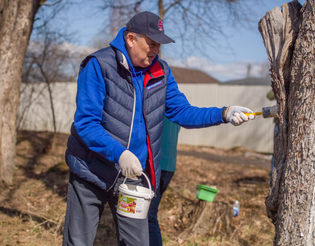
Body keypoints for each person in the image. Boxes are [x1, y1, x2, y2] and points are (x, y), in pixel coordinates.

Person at [62, 11, 256, 246]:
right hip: (90, 171)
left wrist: (223, 113)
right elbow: (86, 123)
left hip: (131, 177)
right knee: (79, 242)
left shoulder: (160, 72)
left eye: (159, 45)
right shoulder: (99, 65)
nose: (155, 50)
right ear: (131, 38)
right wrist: (119, 153)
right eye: (151, 43)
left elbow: (182, 111)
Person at [148, 117, 180, 246]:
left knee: (147, 215)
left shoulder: (157, 99)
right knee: (149, 213)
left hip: (155, 165)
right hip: (168, 165)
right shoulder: (177, 100)